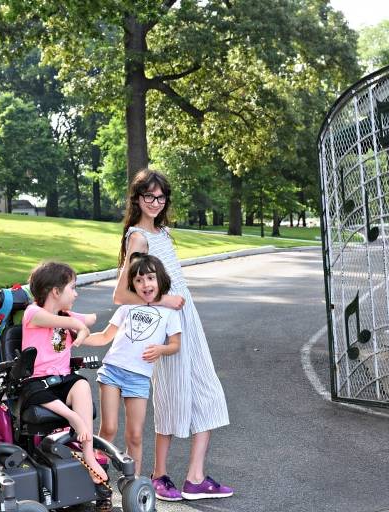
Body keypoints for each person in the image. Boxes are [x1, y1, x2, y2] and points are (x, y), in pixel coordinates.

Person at [113, 169, 233, 501]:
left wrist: (176, 303)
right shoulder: (138, 237)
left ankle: (195, 477)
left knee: (207, 392)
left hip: (187, 319)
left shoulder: (163, 233)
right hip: (163, 324)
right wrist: (163, 299)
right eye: (148, 196)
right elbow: (121, 295)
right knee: (171, 395)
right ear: (137, 198)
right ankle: (160, 476)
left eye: (160, 197)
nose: (154, 202)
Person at [85, 252, 181, 476]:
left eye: (150, 278)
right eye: (138, 280)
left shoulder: (169, 313)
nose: (145, 284)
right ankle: (96, 478)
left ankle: (133, 483)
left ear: (160, 280)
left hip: (139, 378)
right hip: (112, 371)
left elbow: (175, 344)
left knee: (135, 435)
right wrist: (76, 338)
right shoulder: (126, 308)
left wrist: (161, 349)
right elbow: (104, 337)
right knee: (108, 429)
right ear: (133, 285)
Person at [21, 260, 108, 485]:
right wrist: (78, 325)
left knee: (81, 384)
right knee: (33, 388)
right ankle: (73, 418)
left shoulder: (66, 314)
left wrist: (83, 326)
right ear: (56, 291)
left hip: (62, 380)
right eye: (72, 287)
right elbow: (58, 321)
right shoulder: (33, 313)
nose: (76, 294)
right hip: (37, 381)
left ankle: (88, 454)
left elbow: (91, 319)